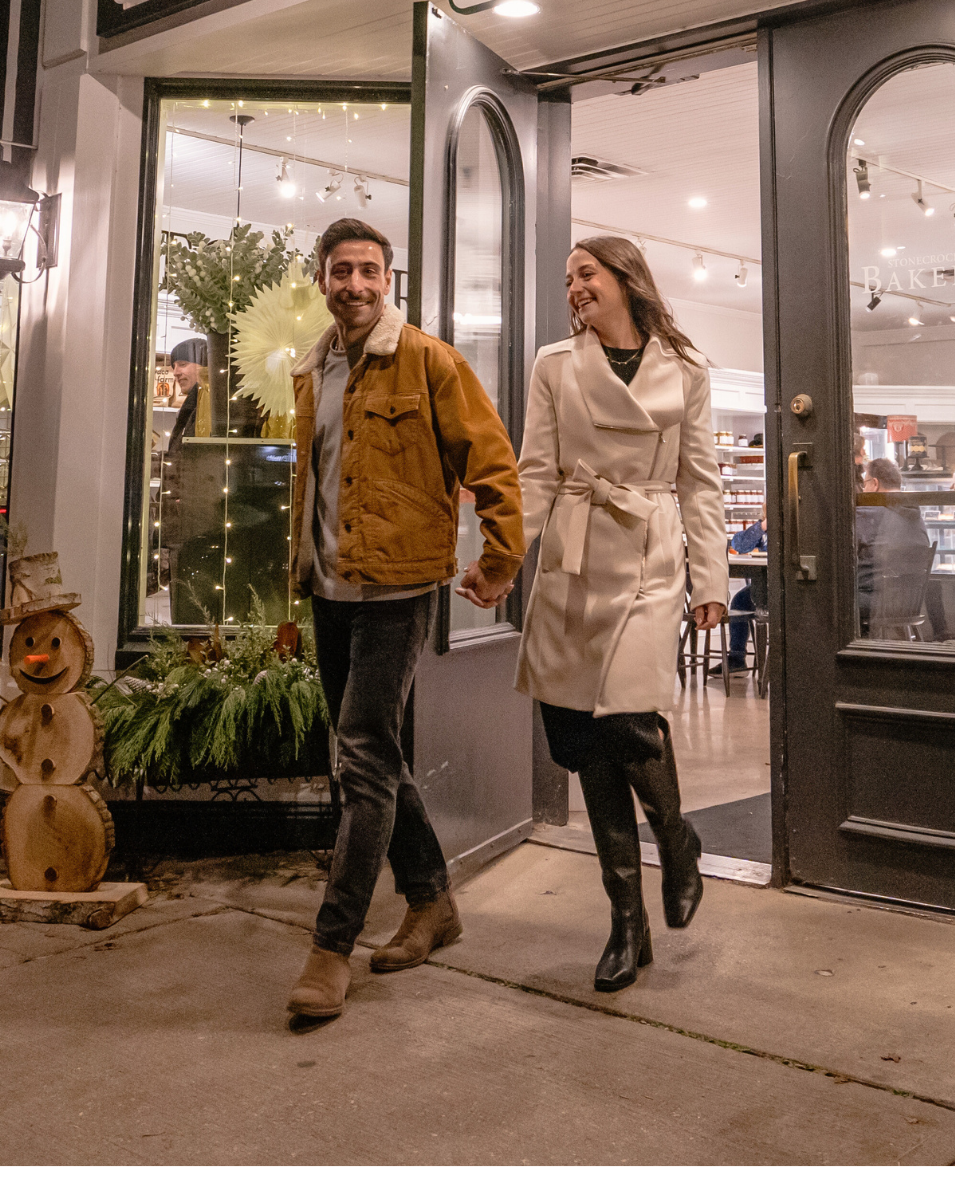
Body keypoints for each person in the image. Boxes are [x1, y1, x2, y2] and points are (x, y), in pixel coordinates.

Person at [285, 218, 524, 1022]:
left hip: (396, 588)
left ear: (390, 280)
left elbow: (493, 461)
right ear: (321, 277)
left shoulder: (427, 359)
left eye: (369, 271)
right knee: (371, 756)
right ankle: (431, 903)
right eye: (341, 270)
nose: (355, 284)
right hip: (327, 587)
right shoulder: (312, 368)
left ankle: (332, 945)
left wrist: (500, 557)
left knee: (359, 755)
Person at [514, 236, 729, 992]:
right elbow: (536, 471)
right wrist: (503, 554)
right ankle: (625, 923)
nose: (573, 286)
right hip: (575, 555)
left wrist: (713, 581)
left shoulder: (688, 369)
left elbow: (700, 482)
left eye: (586, 273)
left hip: (648, 557)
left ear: (625, 280)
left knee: (630, 715)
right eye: (568, 276)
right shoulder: (553, 366)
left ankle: (676, 838)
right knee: (583, 735)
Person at [860, 457, 933, 639]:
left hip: (878, 601)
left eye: (865, 484)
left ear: (875, 484)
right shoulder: (915, 515)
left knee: (834, 597)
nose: (863, 490)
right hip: (910, 603)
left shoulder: (869, 513)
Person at [726, 514, 765, 671]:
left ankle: (738, 659)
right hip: (761, 585)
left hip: (781, 586)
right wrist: (762, 526)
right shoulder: (763, 531)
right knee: (740, 600)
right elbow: (739, 545)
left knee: (742, 599)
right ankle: (736, 658)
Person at [165, 337, 209, 453]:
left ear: (204, 367)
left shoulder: (209, 407)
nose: (175, 373)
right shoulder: (192, 407)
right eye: (174, 367)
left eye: (183, 364)